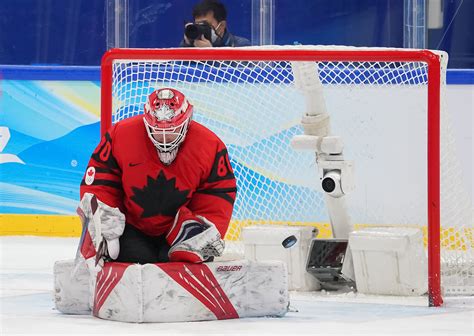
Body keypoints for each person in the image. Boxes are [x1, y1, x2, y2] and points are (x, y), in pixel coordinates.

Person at [77, 88, 237, 265]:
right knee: (137, 258)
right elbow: (101, 181)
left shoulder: (209, 145)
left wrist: (202, 227)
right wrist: (104, 223)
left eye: (172, 130)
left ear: (187, 120)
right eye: (156, 129)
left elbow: (218, 192)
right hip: (132, 228)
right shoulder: (121, 134)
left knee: (180, 260)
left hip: (181, 233)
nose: (164, 137)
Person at [180, 0, 251, 48]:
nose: (200, 28)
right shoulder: (191, 44)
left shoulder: (241, 45)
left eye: (205, 24)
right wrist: (186, 45)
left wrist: (210, 55)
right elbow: (176, 69)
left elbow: (239, 70)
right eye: (198, 25)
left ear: (222, 26)